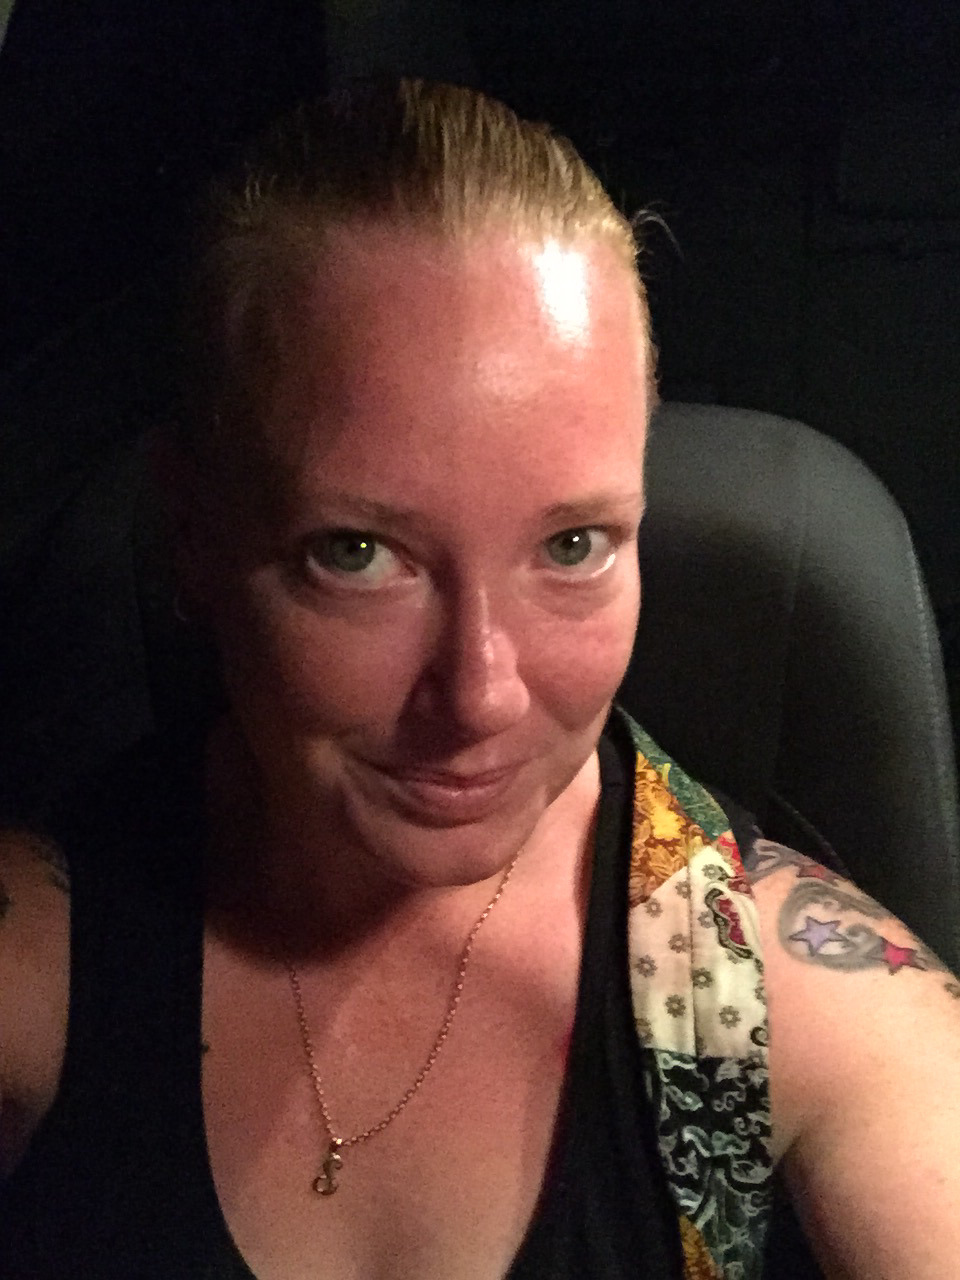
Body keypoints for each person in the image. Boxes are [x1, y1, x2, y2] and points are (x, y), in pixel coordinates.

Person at [1, 77, 959, 1280]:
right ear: (192, 534)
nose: (480, 695)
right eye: (358, 553)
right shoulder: (40, 970)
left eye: (573, 545)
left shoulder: (803, 1004)